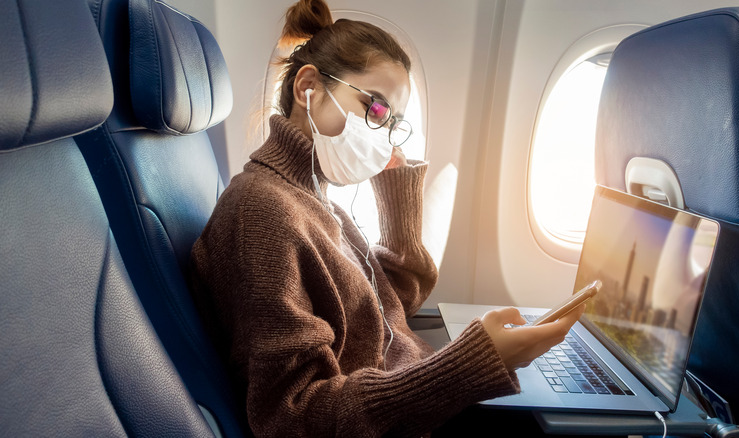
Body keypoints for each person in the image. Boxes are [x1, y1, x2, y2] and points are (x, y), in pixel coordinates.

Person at [188, 0, 583, 436]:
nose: (382, 132)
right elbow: (293, 417)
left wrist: (397, 190)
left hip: (404, 399)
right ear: (308, 88)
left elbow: (386, 305)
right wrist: (471, 363)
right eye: (374, 108)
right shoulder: (261, 213)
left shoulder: (317, 199)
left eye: (392, 121)